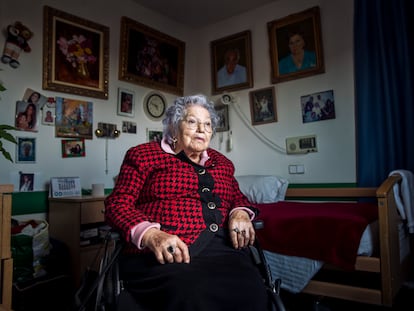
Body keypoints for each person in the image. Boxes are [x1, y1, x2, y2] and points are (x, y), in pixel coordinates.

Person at [104, 94, 269, 310]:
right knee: (193, 295)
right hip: (166, 253)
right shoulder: (143, 155)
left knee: (254, 293)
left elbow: (237, 197)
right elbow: (117, 204)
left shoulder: (222, 163)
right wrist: (151, 234)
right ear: (173, 126)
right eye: (192, 122)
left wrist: (240, 212)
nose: (202, 130)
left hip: (223, 250)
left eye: (208, 124)